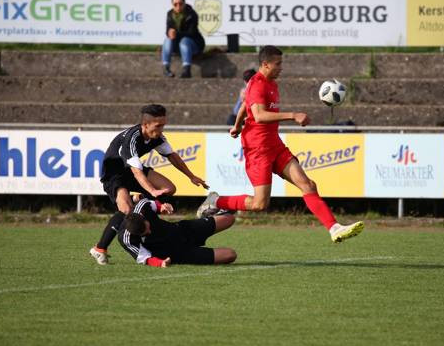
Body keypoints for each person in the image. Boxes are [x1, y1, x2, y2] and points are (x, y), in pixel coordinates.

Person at [196, 45, 364, 244]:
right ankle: (216, 201)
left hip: (275, 145)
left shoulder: (271, 83)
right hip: (258, 149)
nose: (281, 67)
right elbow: (258, 115)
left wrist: (237, 124)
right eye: (278, 64)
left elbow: (245, 105)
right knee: (259, 204)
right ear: (265, 64)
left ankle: (334, 228)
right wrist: (293, 115)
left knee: (308, 184)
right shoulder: (257, 84)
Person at [90, 104, 209, 265]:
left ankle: (138, 199)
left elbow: (172, 156)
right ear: (145, 125)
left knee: (169, 188)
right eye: (158, 126)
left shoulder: (157, 137)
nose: (161, 129)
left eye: (163, 125)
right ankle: (100, 248)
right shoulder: (131, 140)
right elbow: (136, 172)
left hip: (132, 170)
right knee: (126, 210)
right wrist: (152, 191)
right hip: (115, 174)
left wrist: (191, 176)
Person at [119, 197, 237, 267]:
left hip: (182, 230)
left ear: (143, 217)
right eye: (145, 233)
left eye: (148, 227)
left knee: (230, 219)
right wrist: (161, 263)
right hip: (179, 253)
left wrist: (162, 207)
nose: (149, 231)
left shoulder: (142, 207)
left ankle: (205, 213)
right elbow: (144, 258)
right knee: (231, 255)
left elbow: (155, 205)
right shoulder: (126, 239)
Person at [162, 0, 205, 79]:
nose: (178, 6)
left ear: (184, 4)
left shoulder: (192, 14)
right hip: (178, 45)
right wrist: (169, 33)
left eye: (180, 4)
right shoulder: (170, 14)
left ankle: (187, 70)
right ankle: (166, 68)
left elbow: (192, 33)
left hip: (194, 45)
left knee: (184, 41)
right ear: (172, 5)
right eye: (175, 4)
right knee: (167, 40)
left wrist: (176, 34)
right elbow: (168, 30)